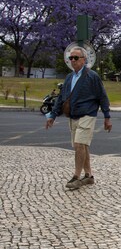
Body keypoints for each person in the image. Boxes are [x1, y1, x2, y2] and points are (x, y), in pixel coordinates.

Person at [45, 46, 112, 189]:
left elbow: (103, 97)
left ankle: (76, 176)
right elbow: (61, 99)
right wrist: (53, 115)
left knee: (79, 145)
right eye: (71, 58)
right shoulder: (69, 77)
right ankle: (88, 175)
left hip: (87, 114)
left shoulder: (92, 76)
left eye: (76, 58)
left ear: (84, 60)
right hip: (73, 115)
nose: (73, 60)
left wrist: (107, 117)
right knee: (82, 145)